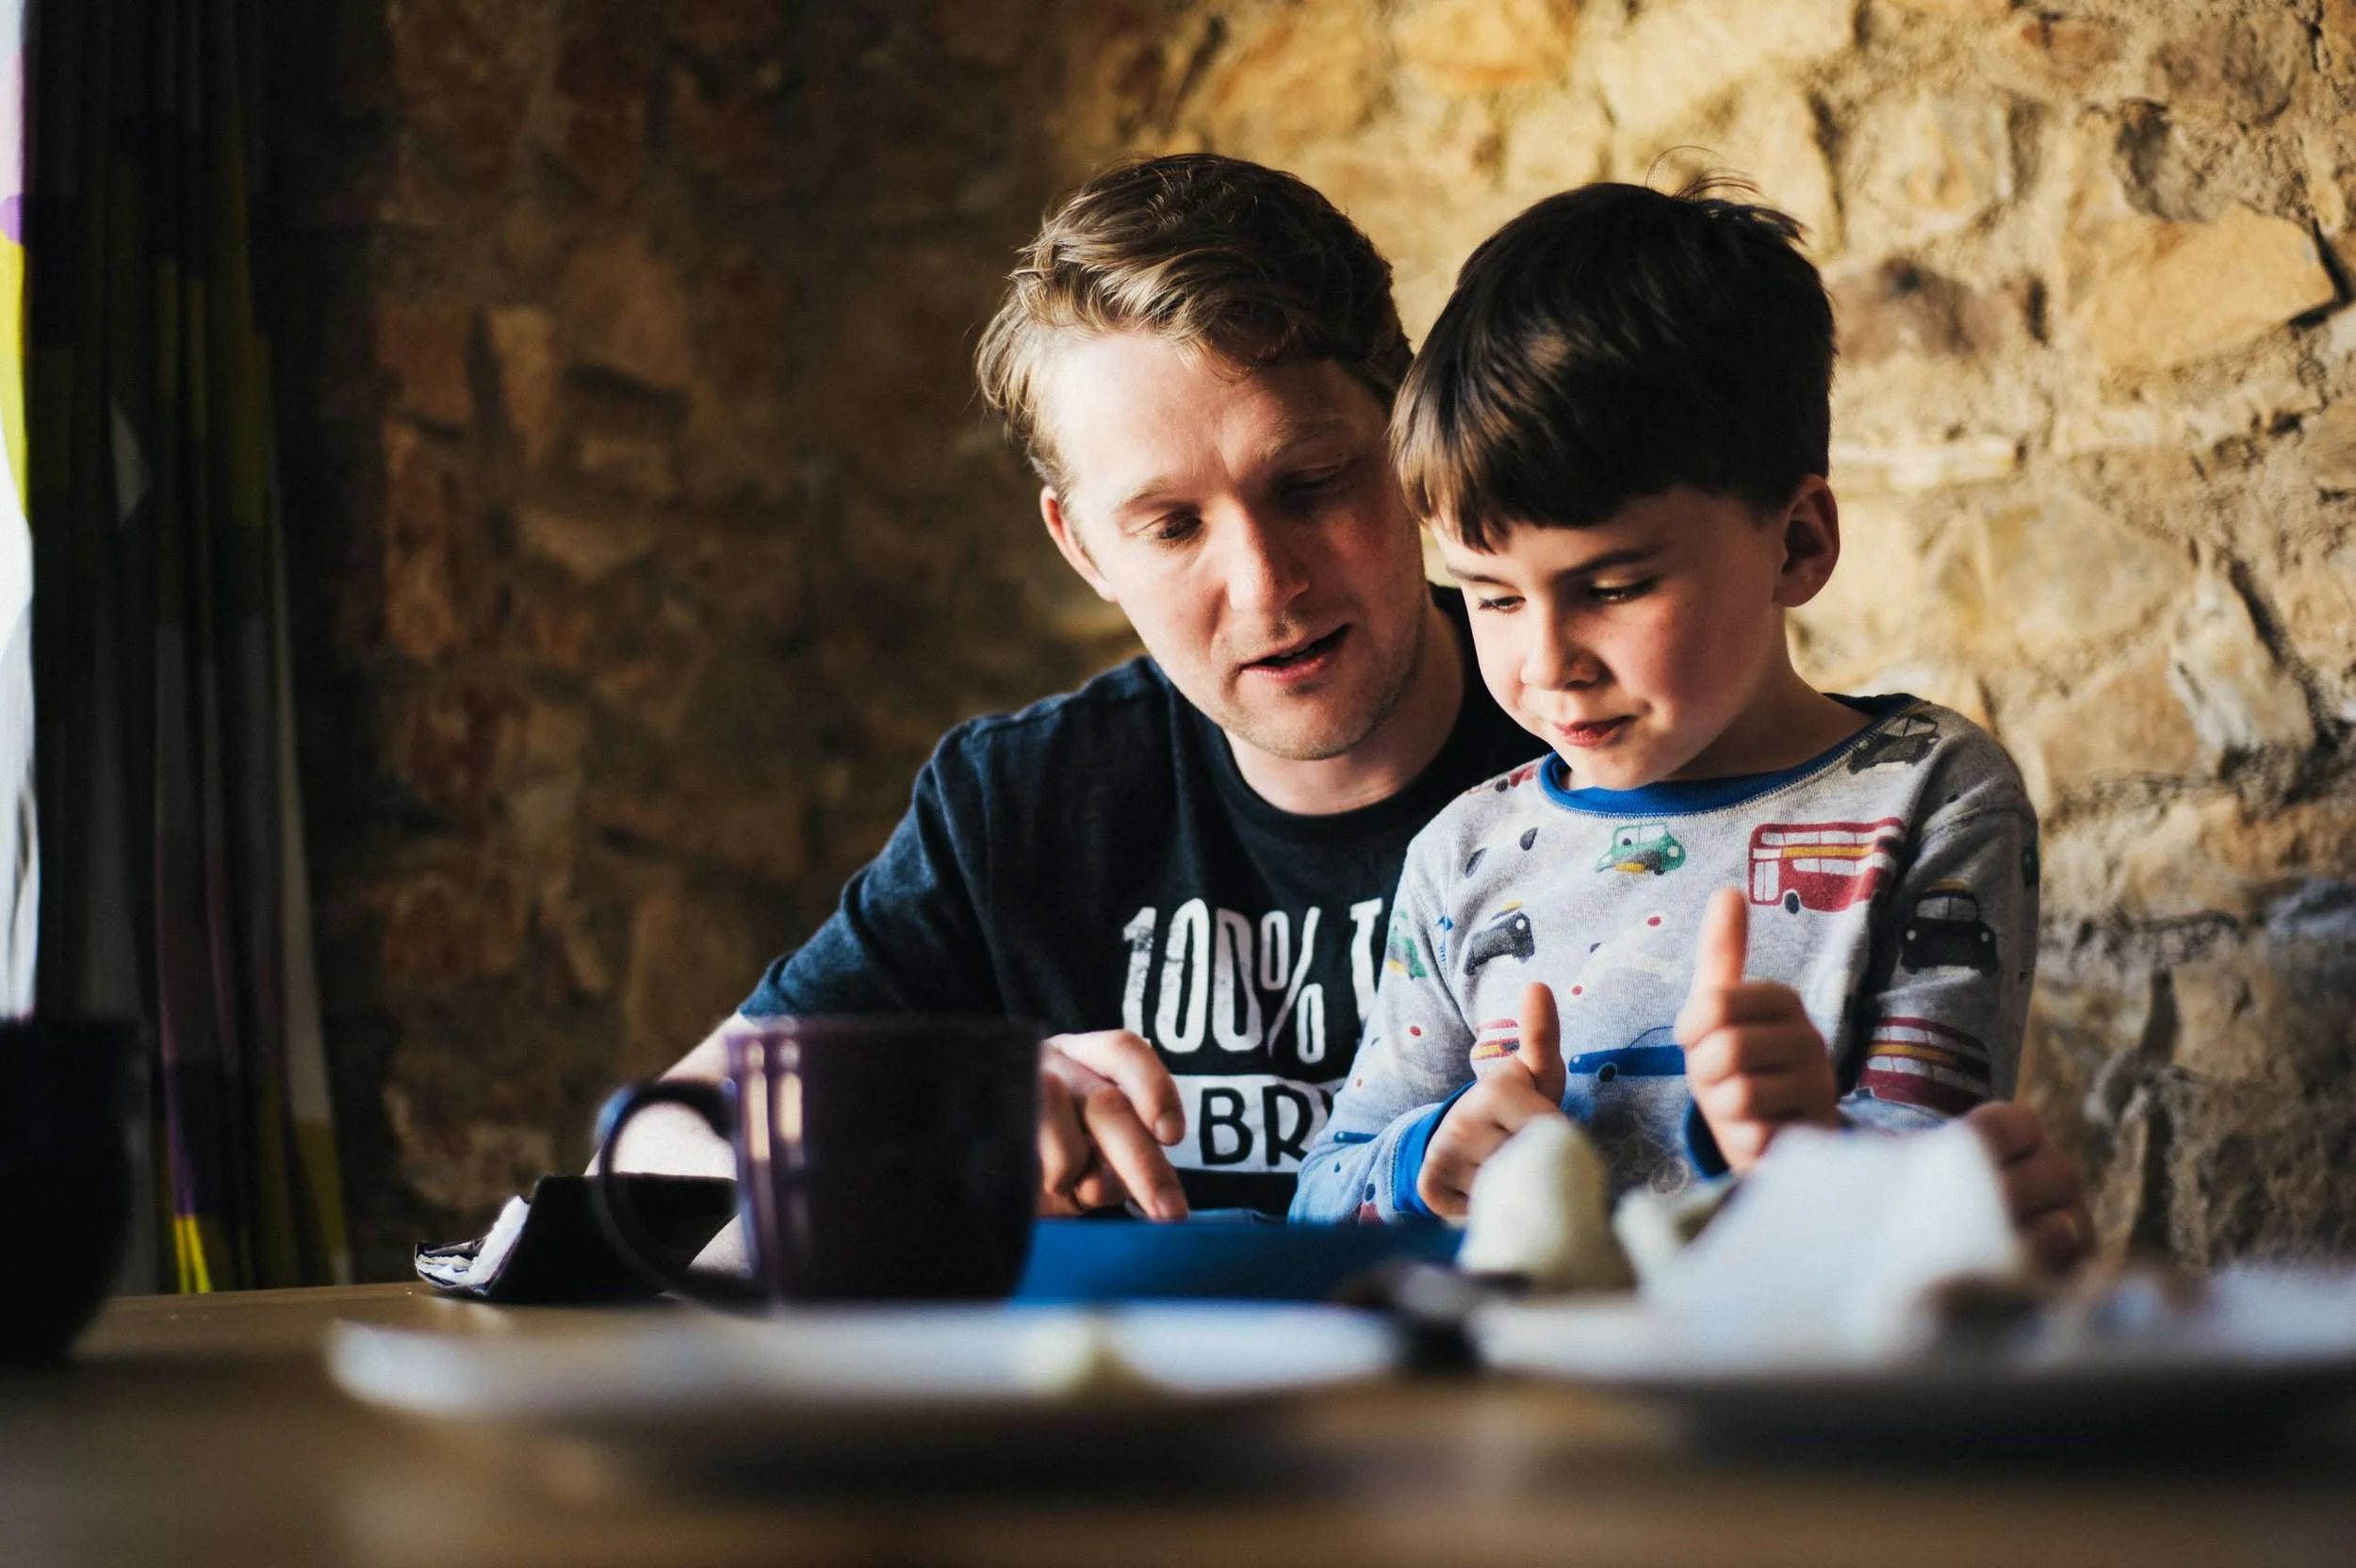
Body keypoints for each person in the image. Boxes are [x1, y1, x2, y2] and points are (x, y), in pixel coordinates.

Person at [628, 155, 2091, 1268]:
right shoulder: (1021, 804)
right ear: (1082, 546)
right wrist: (944, 1116)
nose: (1263, 583)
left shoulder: (1625, 729)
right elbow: (653, 1166)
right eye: (1170, 525)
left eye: (1310, 484)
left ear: (1408, 453)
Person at [1291, 181, 2053, 1239]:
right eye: (1494, 597)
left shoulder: (1933, 794)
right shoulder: (1462, 856)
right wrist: (1436, 1153)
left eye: (1610, 588)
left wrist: (1798, 1142)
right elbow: (1321, 1194)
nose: (1548, 662)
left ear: (1795, 545)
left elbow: (1960, 1199)